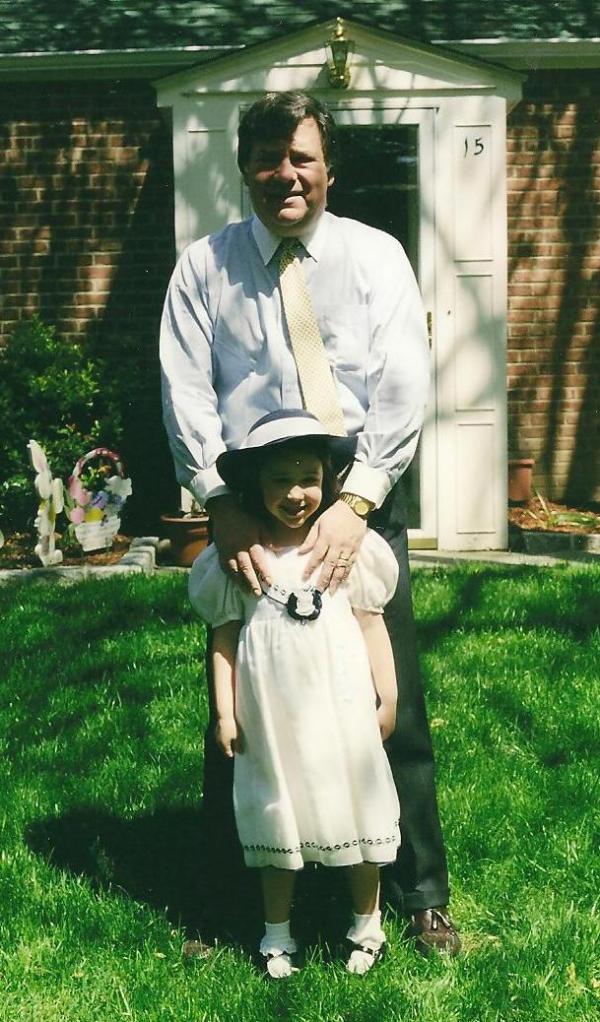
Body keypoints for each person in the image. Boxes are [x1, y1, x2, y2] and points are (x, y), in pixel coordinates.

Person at [160, 90, 460, 954]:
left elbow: (403, 381)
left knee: (385, 699)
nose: (283, 175)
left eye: (300, 157)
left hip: (359, 493)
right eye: (266, 159)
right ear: (243, 168)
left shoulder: (376, 258)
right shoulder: (204, 269)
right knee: (245, 705)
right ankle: (231, 901)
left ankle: (419, 893)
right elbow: (185, 388)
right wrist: (220, 506)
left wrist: (358, 502)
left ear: (330, 168)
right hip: (251, 510)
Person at [189, 409, 401, 977]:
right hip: (272, 722)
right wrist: (225, 713)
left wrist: (389, 696)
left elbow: (371, 622)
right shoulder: (240, 562)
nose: (294, 493)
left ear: (328, 480)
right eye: (278, 480)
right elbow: (224, 639)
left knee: (354, 808)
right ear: (256, 486)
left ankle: (366, 924)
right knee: (275, 813)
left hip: (341, 715)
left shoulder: (348, 554)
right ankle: (277, 932)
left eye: (306, 477)